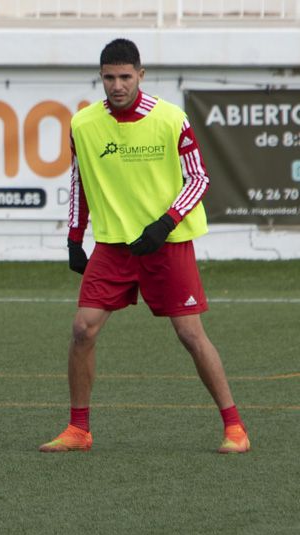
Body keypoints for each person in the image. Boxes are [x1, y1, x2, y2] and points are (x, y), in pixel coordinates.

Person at [39, 38, 250, 455]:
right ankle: (79, 429)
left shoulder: (172, 119)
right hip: (114, 246)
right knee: (82, 329)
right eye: (108, 78)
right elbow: (79, 181)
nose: (116, 85)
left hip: (167, 243)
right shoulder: (83, 124)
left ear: (140, 75)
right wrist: (73, 239)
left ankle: (235, 427)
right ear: (100, 78)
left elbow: (199, 179)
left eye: (124, 76)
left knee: (190, 334)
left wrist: (166, 223)